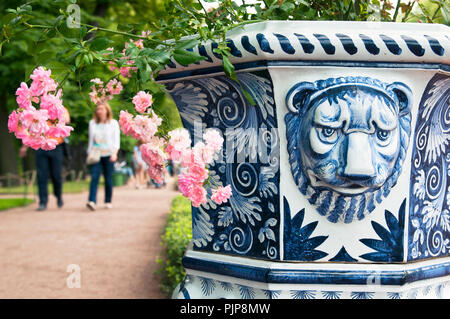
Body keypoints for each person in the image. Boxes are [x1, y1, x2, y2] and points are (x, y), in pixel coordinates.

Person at [19, 108, 70, 211]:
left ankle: (58, 195)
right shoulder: (38, 111)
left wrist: (52, 114)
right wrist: (24, 147)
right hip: (40, 146)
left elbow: (66, 120)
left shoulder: (60, 107)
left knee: (56, 175)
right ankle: (43, 202)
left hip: (56, 146)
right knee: (41, 175)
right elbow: (31, 130)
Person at [86, 102, 120, 211]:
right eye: (98, 109)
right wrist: (89, 152)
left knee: (108, 178)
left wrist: (115, 153)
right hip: (96, 154)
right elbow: (91, 140)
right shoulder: (92, 123)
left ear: (107, 110)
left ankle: (108, 201)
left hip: (109, 154)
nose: (99, 111)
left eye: (101, 109)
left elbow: (116, 140)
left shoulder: (113, 123)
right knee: (94, 177)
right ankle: (92, 201)